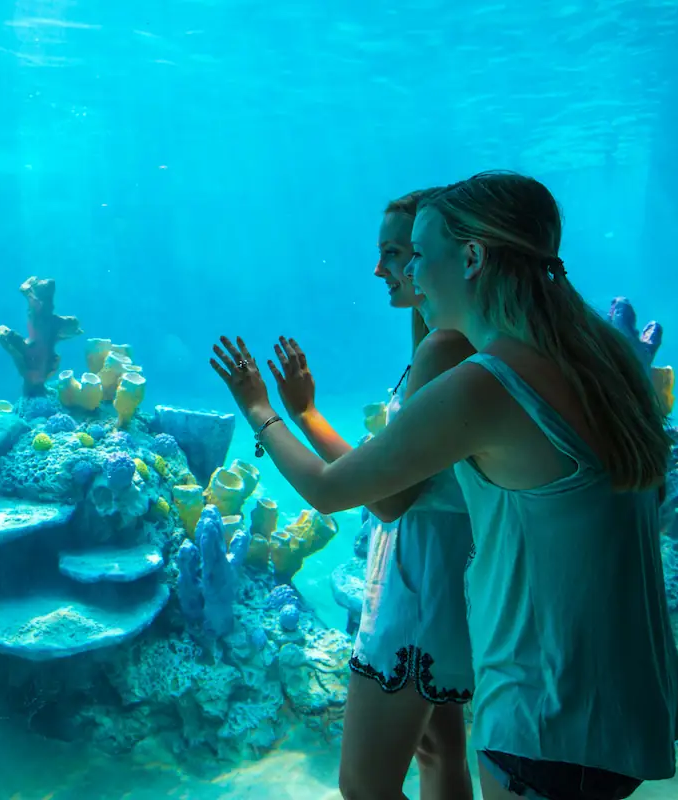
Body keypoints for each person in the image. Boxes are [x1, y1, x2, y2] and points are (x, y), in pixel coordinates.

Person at [210, 170, 678, 800]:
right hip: (626, 710)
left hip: (546, 719)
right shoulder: (604, 357)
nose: (411, 272)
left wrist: (260, 410)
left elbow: (333, 491)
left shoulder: (489, 384)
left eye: (421, 255)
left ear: (471, 257)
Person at [270, 188, 476, 800]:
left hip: (417, 591)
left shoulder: (445, 351)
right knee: (439, 752)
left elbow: (387, 498)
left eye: (397, 251)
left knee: (365, 785)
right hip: (437, 581)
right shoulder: (440, 342)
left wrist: (281, 415)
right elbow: (389, 478)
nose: (382, 268)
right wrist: (308, 413)